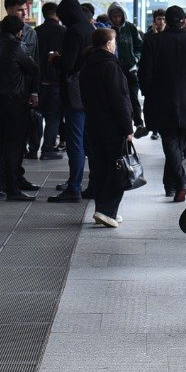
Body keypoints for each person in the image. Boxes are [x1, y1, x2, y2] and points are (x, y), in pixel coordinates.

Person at [140, 4, 186, 201]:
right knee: (178, 143)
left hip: (162, 99)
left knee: (170, 142)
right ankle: (169, 186)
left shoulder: (153, 41)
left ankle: (180, 182)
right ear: (184, 21)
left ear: (165, 21)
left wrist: (149, 93)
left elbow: (145, 74)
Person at [80, 27, 135, 227]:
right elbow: (120, 100)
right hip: (113, 127)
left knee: (101, 168)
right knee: (117, 168)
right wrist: (128, 128)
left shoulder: (88, 65)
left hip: (94, 124)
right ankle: (107, 210)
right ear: (109, 44)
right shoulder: (110, 67)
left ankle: (103, 209)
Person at [0, 14, 39, 201]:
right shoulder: (18, 47)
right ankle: (13, 188)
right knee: (14, 146)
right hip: (15, 101)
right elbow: (33, 69)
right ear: (19, 32)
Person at [49, 0, 95, 203]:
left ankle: (74, 186)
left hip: (74, 93)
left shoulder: (73, 32)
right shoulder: (90, 29)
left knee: (75, 141)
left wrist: (55, 59)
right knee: (89, 141)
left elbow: (67, 64)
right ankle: (93, 184)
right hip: (90, 91)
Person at [106, 4, 149, 138]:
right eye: (114, 16)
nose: (117, 19)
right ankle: (124, 127)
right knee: (119, 99)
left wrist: (136, 59)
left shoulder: (130, 27)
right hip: (114, 69)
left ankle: (139, 124)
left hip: (131, 69)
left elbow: (139, 47)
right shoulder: (107, 30)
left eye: (119, 16)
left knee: (133, 97)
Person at [35, 1, 66, 158]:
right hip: (56, 81)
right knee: (53, 117)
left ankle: (33, 148)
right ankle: (47, 149)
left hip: (38, 81)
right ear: (57, 14)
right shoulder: (63, 32)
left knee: (37, 116)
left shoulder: (36, 32)